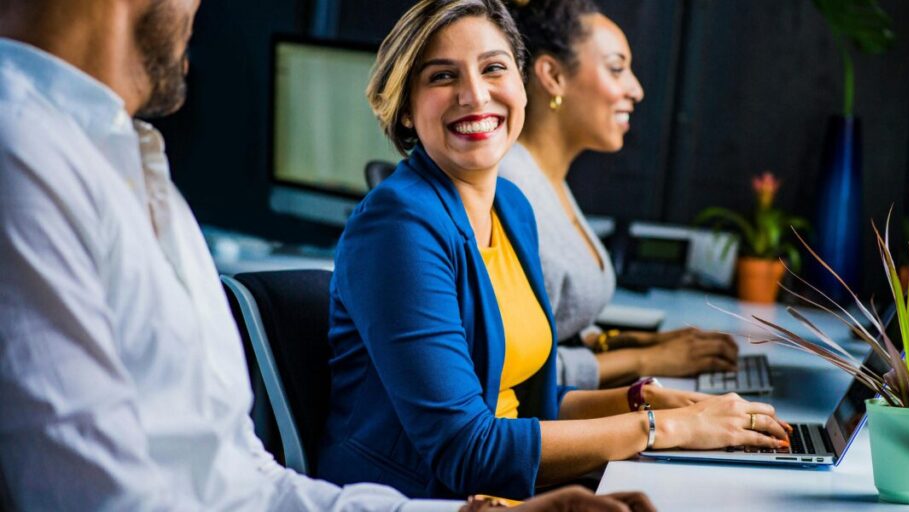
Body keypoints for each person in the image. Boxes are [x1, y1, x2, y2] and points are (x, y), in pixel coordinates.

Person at [0, 0, 653, 510]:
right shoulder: (24, 157)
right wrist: (650, 426)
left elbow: (244, 479)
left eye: (492, 68)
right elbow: (95, 498)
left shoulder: (132, 161)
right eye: (443, 76)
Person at [320, 0, 791, 501]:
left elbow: (529, 407)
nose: (475, 95)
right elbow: (466, 448)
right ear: (407, 108)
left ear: (522, 86)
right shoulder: (399, 226)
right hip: (419, 500)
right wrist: (666, 428)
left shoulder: (511, 207)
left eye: (494, 68)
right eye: (442, 77)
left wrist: (644, 400)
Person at [499, 0, 740, 390]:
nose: (637, 89)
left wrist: (642, 341)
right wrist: (647, 359)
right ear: (552, 75)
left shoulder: (548, 179)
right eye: (616, 69)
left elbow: (559, 328)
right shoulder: (509, 189)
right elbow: (511, 370)